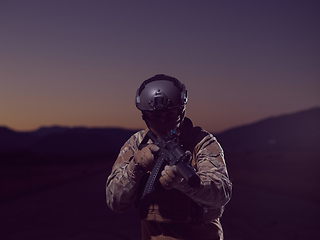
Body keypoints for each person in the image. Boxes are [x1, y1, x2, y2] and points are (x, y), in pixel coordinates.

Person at [106, 74, 232, 240]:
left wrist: (185, 184)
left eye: (170, 114)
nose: (163, 121)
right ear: (144, 115)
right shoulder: (136, 144)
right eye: (155, 116)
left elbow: (221, 194)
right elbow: (115, 202)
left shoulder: (201, 142)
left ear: (181, 110)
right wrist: (135, 166)